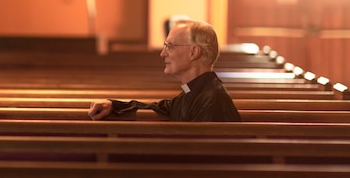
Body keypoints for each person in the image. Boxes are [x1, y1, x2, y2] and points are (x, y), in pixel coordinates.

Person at [88, 19, 240, 122]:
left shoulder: (212, 100)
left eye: (170, 46)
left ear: (194, 52)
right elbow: (161, 107)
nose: (163, 53)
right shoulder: (195, 90)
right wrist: (113, 105)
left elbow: (209, 161)